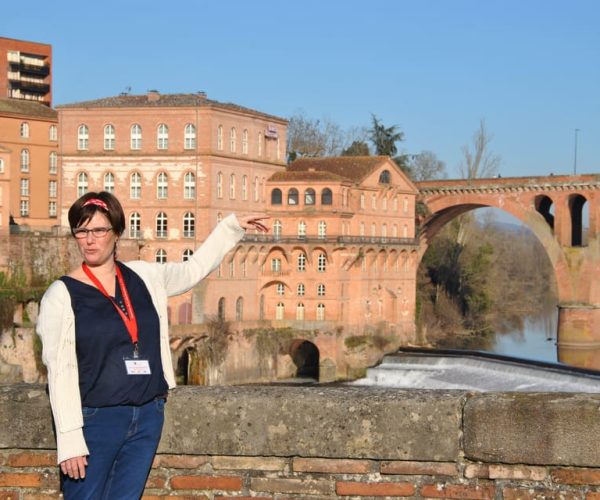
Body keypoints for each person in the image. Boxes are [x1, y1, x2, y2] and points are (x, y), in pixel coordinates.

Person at [36, 191, 268, 499]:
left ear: (116, 233)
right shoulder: (61, 294)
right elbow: (59, 369)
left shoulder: (144, 276)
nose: (90, 239)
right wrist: (69, 440)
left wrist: (230, 228)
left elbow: (192, 270)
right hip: (97, 420)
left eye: (99, 230)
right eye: (81, 231)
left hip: (147, 416)